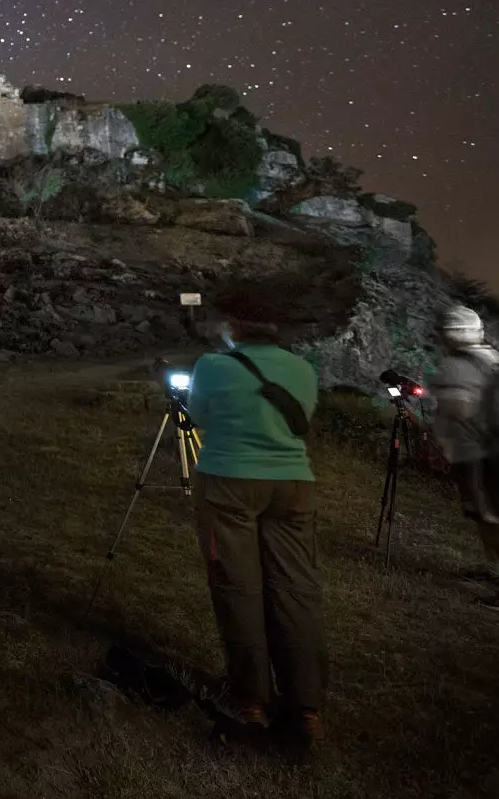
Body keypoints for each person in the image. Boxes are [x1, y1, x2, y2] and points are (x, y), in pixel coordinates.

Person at [185, 284, 325, 751]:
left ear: (234, 326)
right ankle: (306, 706)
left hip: (228, 480)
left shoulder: (213, 366)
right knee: (295, 590)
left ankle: (251, 700)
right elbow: (300, 417)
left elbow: (198, 415)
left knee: (238, 587)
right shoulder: (303, 368)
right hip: (293, 485)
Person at [427, 304, 499, 615]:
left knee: (494, 518)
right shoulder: (491, 357)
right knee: (483, 514)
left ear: (449, 334)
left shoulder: (458, 364)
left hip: (479, 453)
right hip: (497, 450)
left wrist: (435, 408)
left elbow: (461, 409)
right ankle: (496, 570)